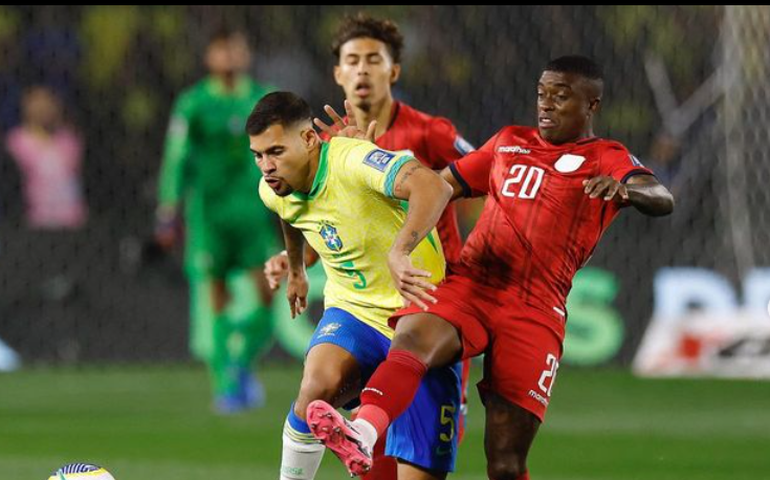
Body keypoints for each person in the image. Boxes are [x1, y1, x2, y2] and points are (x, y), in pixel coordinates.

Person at [307, 55, 676, 479]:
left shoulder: (605, 156)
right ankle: (364, 433)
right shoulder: (508, 143)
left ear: (592, 105)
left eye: (561, 96)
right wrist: (369, 160)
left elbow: (661, 196)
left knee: (505, 462)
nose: (547, 104)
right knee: (410, 338)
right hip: (474, 282)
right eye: (542, 94)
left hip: (535, 311)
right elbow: (436, 184)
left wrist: (626, 188)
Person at [248, 91, 461, 480]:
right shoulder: (273, 188)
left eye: (275, 151)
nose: (266, 166)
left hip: (418, 314)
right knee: (314, 388)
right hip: (353, 311)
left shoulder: (353, 160)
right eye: (258, 155)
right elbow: (289, 213)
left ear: (310, 139)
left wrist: (401, 250)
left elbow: (435, 188)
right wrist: (295, 268)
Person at [156, 28, 277, 413]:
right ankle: (227, 384)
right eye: (222, 48)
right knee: (218, 298)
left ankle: (240, 361)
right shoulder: (193, 103)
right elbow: (176, 158)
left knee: (269, 295)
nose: (231, 55)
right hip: (209, 217)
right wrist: (168, 208)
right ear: (210, 56)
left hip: (253, 213)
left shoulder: (263, 99)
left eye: (237, 47)